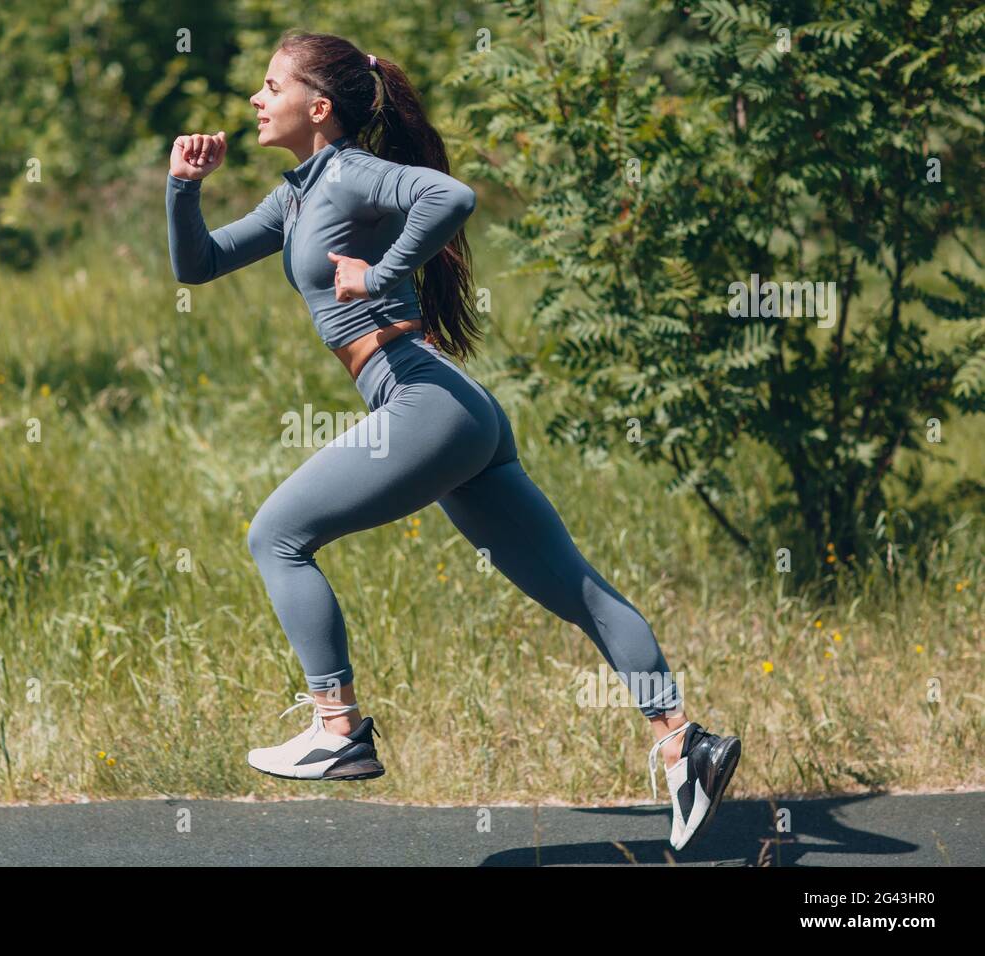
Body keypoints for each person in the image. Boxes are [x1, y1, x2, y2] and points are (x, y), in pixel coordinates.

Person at [164, 29, 740, 851]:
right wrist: (183, 188)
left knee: (277, 536)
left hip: (425, 403)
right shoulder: (298, 196)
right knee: (578, 590)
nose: (256, 99)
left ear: (317, 108)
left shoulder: (352, 171)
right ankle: (685, 744)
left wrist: (387, 272)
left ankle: (339, 728)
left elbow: (452, 197)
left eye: (270, 86)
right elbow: (199, 266)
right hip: (456, 412)